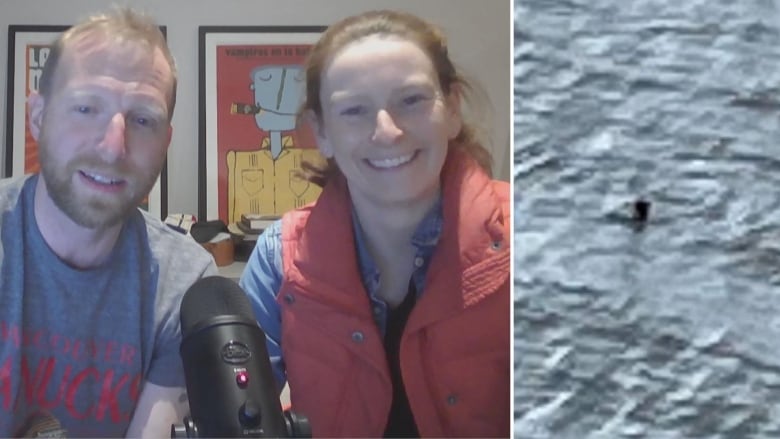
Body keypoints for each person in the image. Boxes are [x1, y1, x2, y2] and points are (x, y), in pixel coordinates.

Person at [240, 9, 510, 437]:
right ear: (322, 132)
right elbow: (238, 420)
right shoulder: (278, 259)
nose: (387, 131)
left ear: (452, 109)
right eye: (354, 111)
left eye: (411, 100)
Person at [0, 8, 217, 437]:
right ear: (38, 117)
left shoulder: (185, 283)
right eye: (85, 108)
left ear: (165, 142)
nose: (113, 148)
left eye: (143, 120)